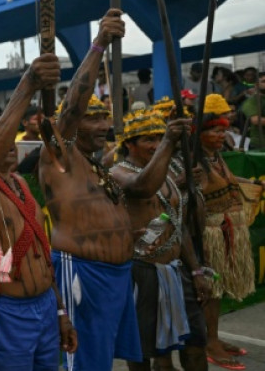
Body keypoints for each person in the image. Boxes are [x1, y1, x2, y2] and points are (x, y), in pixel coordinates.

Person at [0, 54, 77, 370]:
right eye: (1, 134)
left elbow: (41, 255)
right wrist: (28, 84)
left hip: (46, 307)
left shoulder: (21, 183)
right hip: (5, 310)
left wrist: (60, 312)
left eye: (11, 132)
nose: (11, 140)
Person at [38, 10, 143, 369]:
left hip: (117, 277)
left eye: (104, 118)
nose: (103, 125)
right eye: (92, 118)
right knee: (81, 363)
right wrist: (99, 44)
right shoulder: (59, 156)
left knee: (101, 361)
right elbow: (70, 109)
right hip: (83, 274)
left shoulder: (97, 164)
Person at [110, 109, 209, 371]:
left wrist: (196, 270)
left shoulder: (165, 173)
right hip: (141, 272)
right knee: (141, 350)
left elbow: (178, 226)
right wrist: (167, 142)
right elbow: (142, 187)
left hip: (177, 270)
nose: (156, 144)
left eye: (159, 137)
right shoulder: (118, 173)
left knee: (196, 343)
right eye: (148, 139)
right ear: (129, 144)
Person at [198, 94, 260, 369]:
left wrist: (253, 183)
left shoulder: (215, 156)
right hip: (211, 232)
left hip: (226, 230)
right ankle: (208, 342)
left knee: (217, 290)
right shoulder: (193, 160)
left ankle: (213, 336)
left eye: (223, 130)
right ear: (200, 132)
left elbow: (229, 181)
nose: (221, 135)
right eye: (215, 130)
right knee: (210, 290)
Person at [239, 71, 265, 151]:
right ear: (256, 85)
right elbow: (256, 120)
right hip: (259, 145)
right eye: (264, 81)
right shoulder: (251, 101)